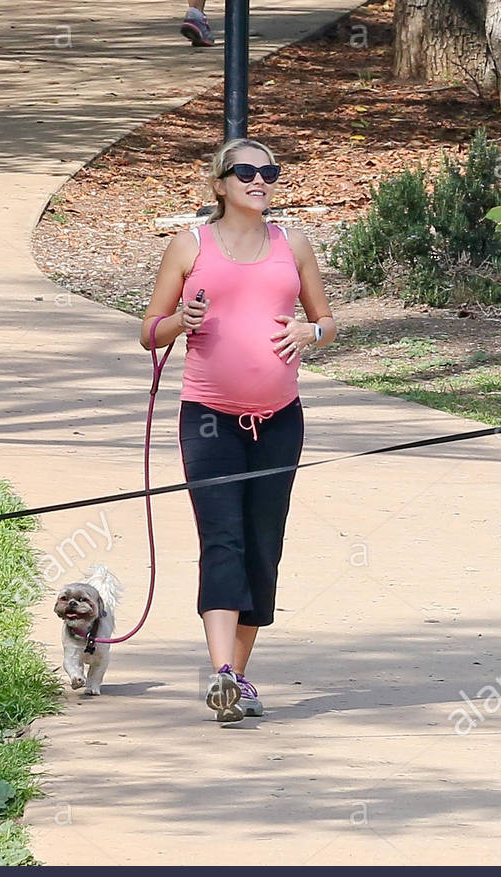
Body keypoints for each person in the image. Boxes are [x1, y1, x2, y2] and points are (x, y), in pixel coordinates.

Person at [142, 138, 337, 722]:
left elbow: (327, 320)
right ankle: (221, 671)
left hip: (281, 421)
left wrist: (312, 334)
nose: (260, 180)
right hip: (208, 418)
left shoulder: (293, 244)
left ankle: (237, 679)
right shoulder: (189, 245)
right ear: (220, 184)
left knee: (263, 545)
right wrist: (181, 320)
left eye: (269, 171)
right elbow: (149, 332)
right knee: (221, 537)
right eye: (246, 171)